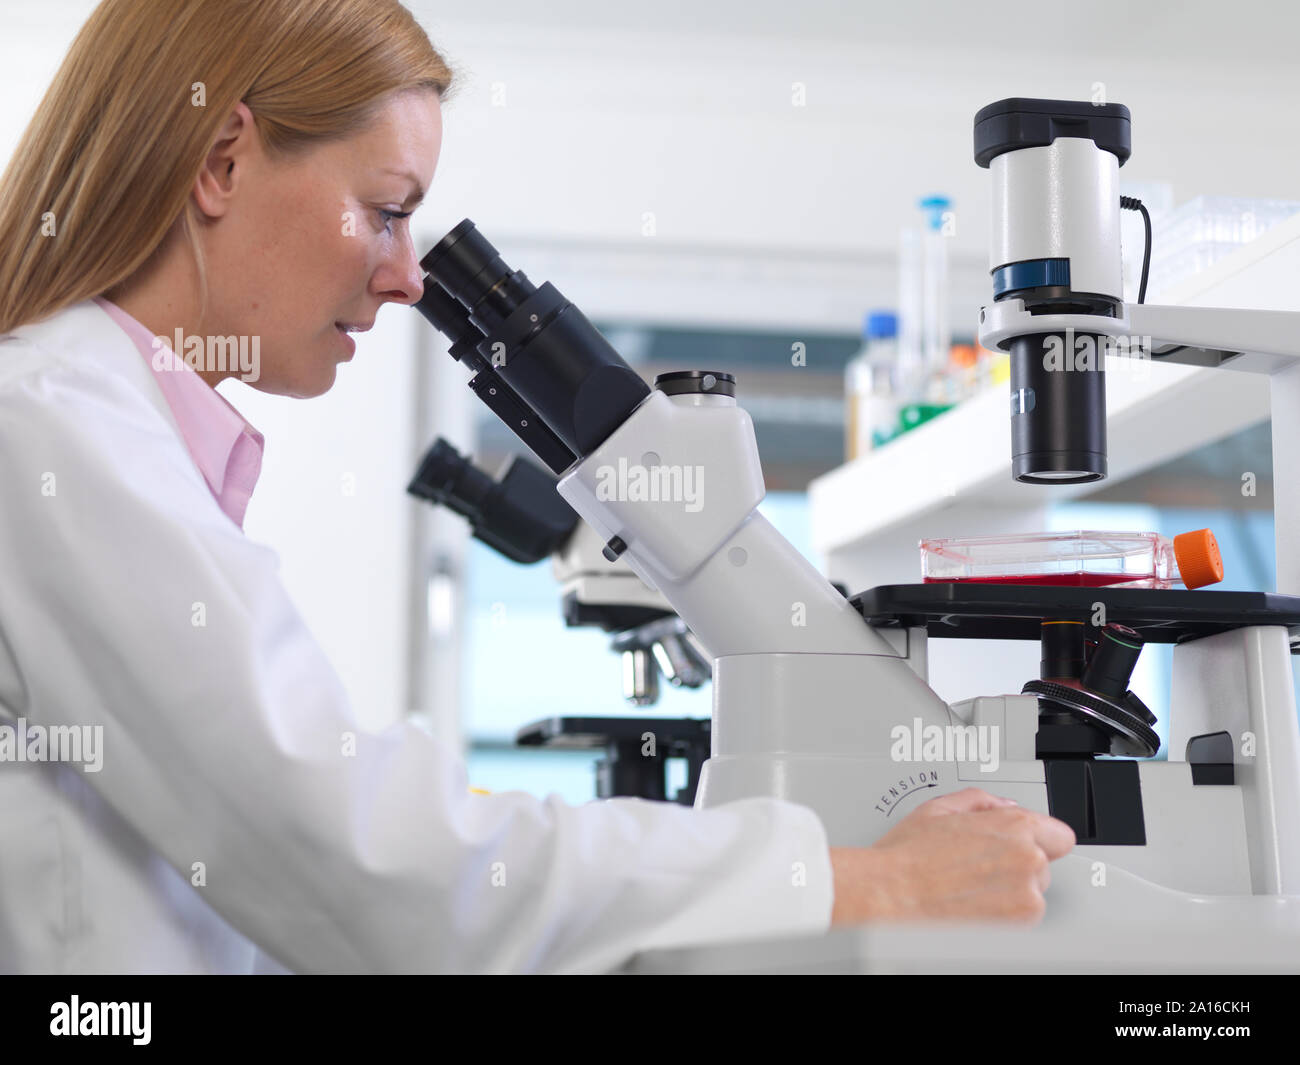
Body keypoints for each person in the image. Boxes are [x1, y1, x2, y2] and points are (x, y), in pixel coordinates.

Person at [0, 0, 1075, 975]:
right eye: (384, 210)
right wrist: (860, 878)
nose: (408, 274)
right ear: (224, 162)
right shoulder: (53, 426)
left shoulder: (98, 427)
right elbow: (344, 845)